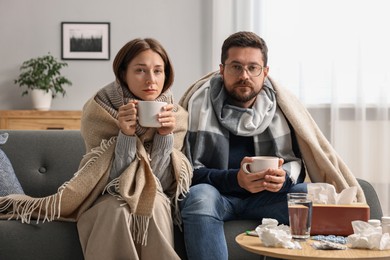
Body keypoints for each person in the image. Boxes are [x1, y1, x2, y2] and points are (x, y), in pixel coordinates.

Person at [179, 31, 365, 260]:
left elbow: (297, 164)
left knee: (312, 198)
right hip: (218, 195)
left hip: (267, 198)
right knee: (199, 197)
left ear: (265, 72)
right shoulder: (197, 106)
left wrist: (283, 179)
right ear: (222, 69)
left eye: (253, 68)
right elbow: (186, 173)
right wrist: (235, 179)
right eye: (236, 67)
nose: (244, 75)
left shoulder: (282, 109)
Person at [74, 38, 193, 260]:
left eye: (158, 71)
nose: (151, 80)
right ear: (123, 73)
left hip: (156, 194)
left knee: (152, 206)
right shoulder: (98, 110)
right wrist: (126, 136)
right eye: (140, 70)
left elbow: (163, 183)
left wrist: (164, 137)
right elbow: (105, 182)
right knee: (115, 210)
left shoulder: (176, 116)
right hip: (105, 196)